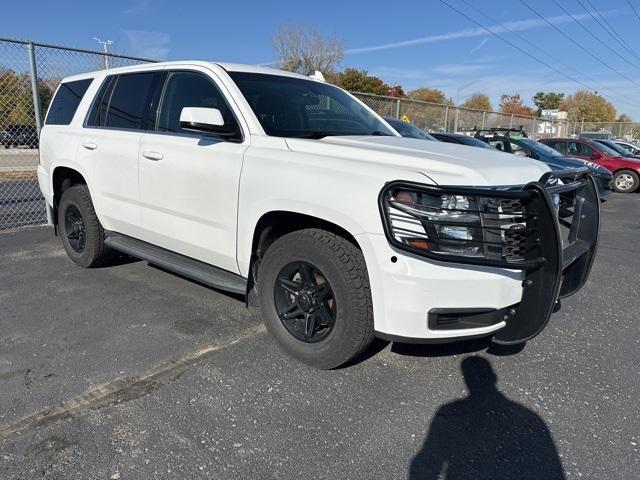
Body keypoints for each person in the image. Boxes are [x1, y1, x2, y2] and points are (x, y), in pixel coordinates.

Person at [409, 356, 565, 479]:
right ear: (494, 377)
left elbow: (426, 461)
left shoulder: (451, 411)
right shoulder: (529, 417)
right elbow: (552, 467)